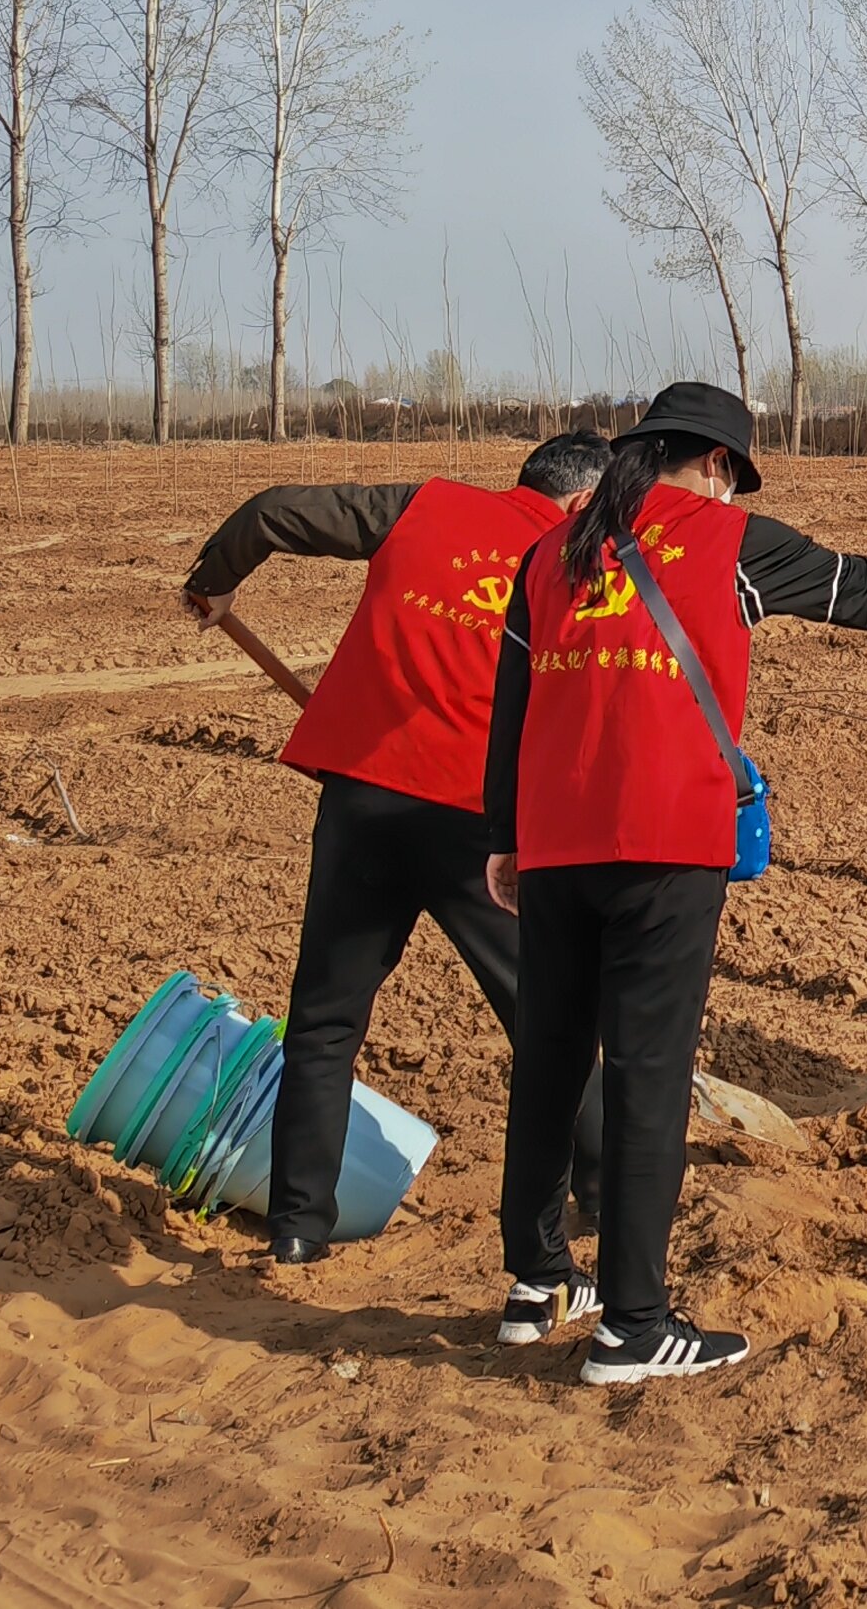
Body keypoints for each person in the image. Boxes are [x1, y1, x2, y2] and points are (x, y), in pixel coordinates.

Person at [481, 381, 867, 1382]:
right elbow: (854, 586)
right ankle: (633, 1325)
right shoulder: (728, 542)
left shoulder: (552, 551)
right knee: (645, 1074)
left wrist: (503, 835)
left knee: (550, 1059)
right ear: (717, 465)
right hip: (665, 843)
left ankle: (535, 1281)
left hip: (555, 843)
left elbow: (512, 699)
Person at [180, 432, 613, 1268]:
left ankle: (299, 1224)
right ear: (581, 504)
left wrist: (213, 584)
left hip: (363, 800)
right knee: (548, 1012)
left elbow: (272, 511)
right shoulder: (574, 561)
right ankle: (603, 1190)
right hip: (477, 824)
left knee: (325, 1019)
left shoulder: (426, 504)